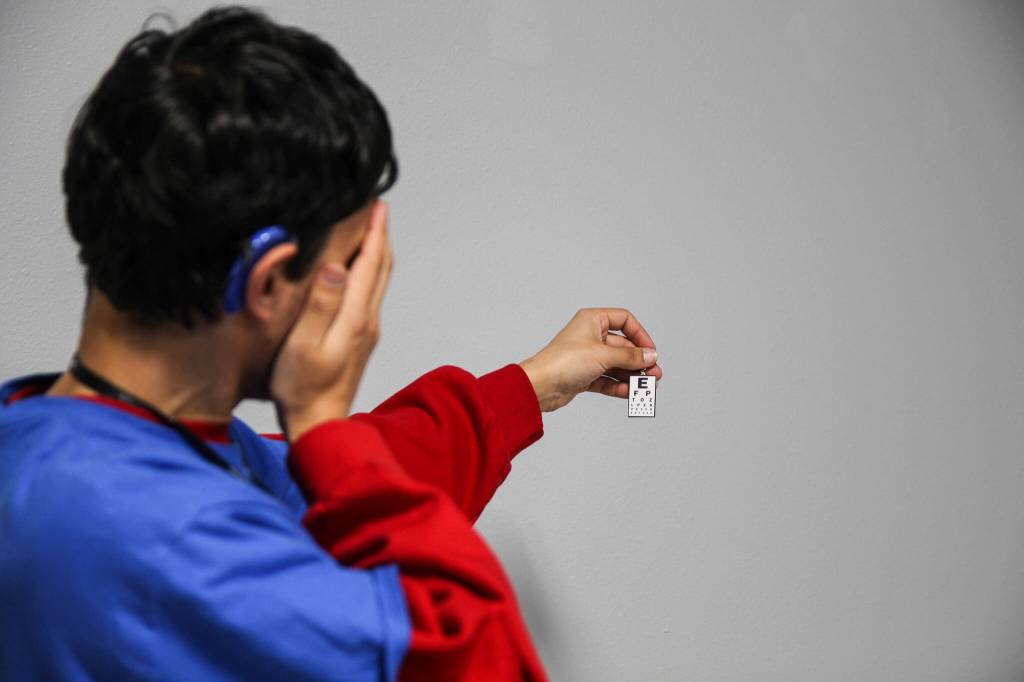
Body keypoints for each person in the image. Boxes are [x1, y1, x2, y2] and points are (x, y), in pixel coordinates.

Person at [0, 6, 662, 681]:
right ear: (266, 285)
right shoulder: (170, 548)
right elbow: (474, 653)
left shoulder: (55, 437)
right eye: (353, 259)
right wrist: (318, 416)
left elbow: (314, 488)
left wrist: (533, 384)